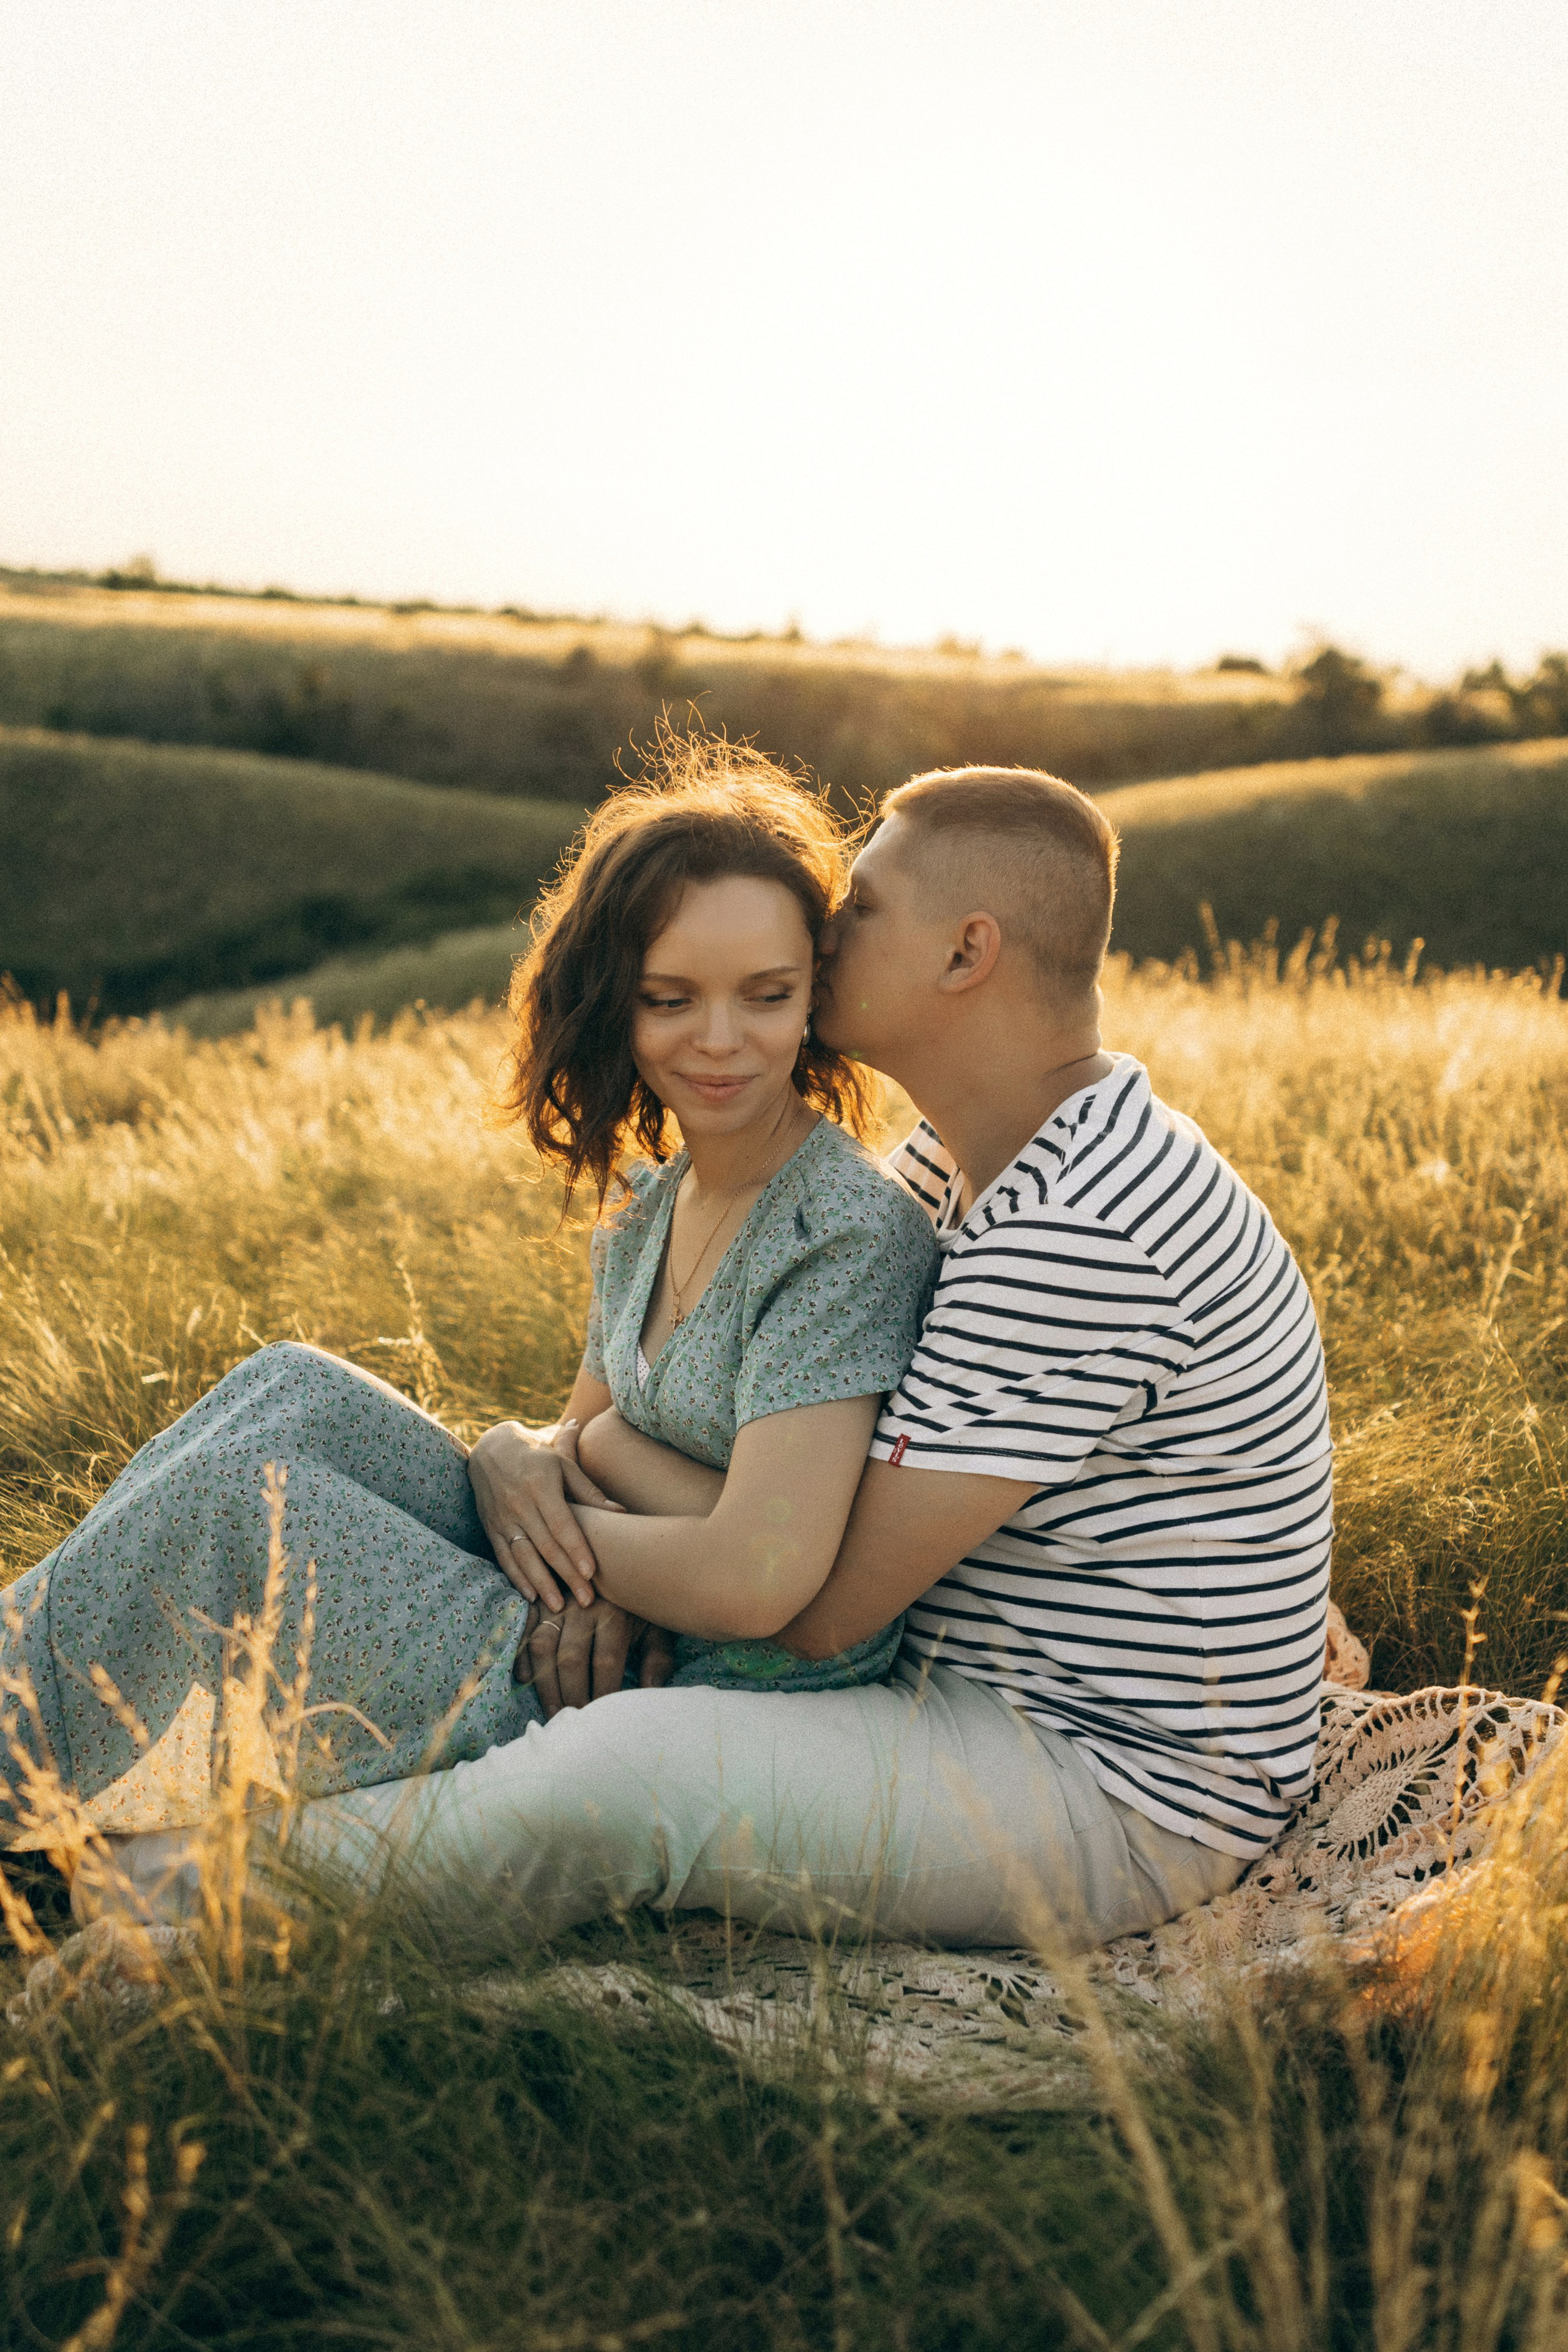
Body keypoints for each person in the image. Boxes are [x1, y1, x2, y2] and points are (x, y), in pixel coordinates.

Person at [176, 764, 1333, 1954]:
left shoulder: (1088, 1229)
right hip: (926, 1668)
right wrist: (524, 1455)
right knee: (303, 1402)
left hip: (1099, 1787)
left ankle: (163, 1901)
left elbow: (811, 1603)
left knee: (623, 1773)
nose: (826, 925)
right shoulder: (960, 1156)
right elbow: (754, 1462)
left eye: (865, 902)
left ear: (963, 953)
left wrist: (581, 1494)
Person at [0, 745, 937, 1864]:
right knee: (288, 1387)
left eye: (768, 996)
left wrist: (567, 1530)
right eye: (670, 999)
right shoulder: (652, 1205)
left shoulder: (838, 1231)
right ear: (613, 1007)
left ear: (813, 1000)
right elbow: (586, 1436)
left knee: (247, 1513)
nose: (722, 1039)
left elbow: (756, 1572)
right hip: (607, 1612)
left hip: (701, 1685)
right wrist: (511, 1453)